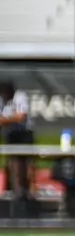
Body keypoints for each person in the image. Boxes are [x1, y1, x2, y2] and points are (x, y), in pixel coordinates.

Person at [0, 80, 34, 217]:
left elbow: (21, 116)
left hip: (24, 134)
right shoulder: (2, 99)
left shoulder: (20, 96)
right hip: (11, 135)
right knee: (13, 166)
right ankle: (16, 194)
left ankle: (27, 196)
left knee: (24, 166)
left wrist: (5, 120)